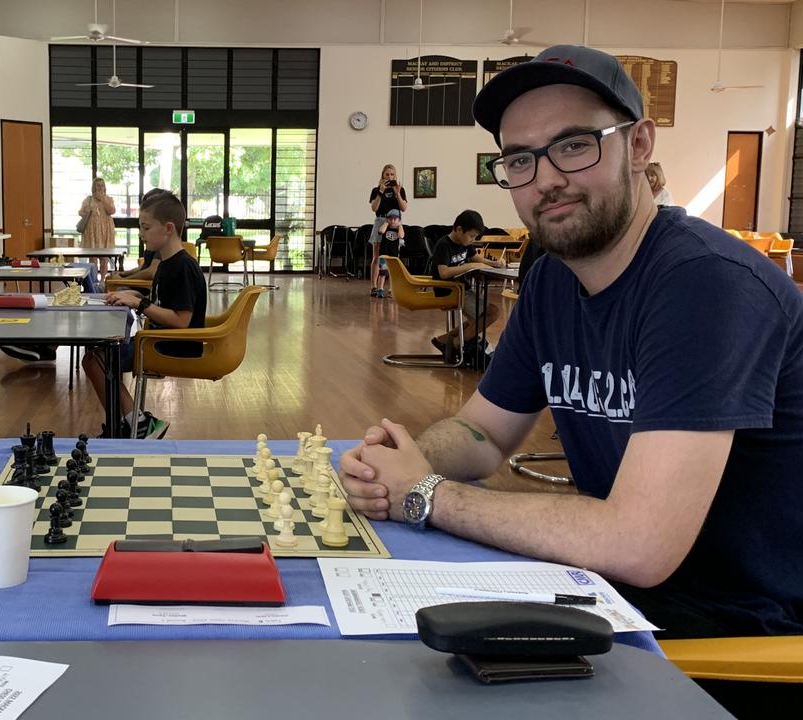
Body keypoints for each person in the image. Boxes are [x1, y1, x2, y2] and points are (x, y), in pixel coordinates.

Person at [341, 45, 803, 648]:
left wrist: (423, 495)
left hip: (734, 636)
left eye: (574, 145)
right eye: (521, 159)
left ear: (638, 146)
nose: (547, 179)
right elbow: (482, 436)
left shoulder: (706, 284)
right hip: (615, 595)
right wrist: (409, 459)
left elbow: (640, 543)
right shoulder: (553, 280)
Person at [81, 189, 206, 439]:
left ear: (168, 228)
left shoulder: (181, 267)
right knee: (98, 355)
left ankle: (135, 423)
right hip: (159, 341)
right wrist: (136, 296)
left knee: (96, 358)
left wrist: (140, 305)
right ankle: (129, 424)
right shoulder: (168, 262)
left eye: (146, 228)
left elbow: (182, 322)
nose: (141, 234)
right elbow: (165, 304)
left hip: (172, 346)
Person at [427, 210, 504, 360]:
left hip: (461, 289)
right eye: (472, 236)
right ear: (459, 229)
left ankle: (444, 340)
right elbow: (443, 272)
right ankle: (457, 343)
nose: (472, 240)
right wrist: (468, 267)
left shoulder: (465, 243)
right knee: (492, 313)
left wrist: (494, 264)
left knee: (480, 319)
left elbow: (476, 258)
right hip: (449, 291)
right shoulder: (444, 244)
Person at [79, 177, 117, 277]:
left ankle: (102, 280)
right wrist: (86, 213)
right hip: (92, 231)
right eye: (98, 185)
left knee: (104, 258)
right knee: (92, 257)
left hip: (105, 231)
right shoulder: (88, 199)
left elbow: (112, 211)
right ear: (94, 187)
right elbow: (80, 212)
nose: (100, 187)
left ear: (105, 187)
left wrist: (103, 199)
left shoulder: (108, 199)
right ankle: (94, 278)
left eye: (102, 185)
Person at [370, 209, 405, 298]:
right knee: (382, 273)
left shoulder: (399, 229)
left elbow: (401, 236)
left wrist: (400, 226)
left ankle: (391, 290)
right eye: (390, 219)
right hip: (384, 255)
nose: (393, 221)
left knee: (393, 275)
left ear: (399, 220)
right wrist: (386, 223)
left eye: (395, 219)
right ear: (387, 219)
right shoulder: (385, 227)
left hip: (394, 257)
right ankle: (380, 289)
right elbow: (381, 231)